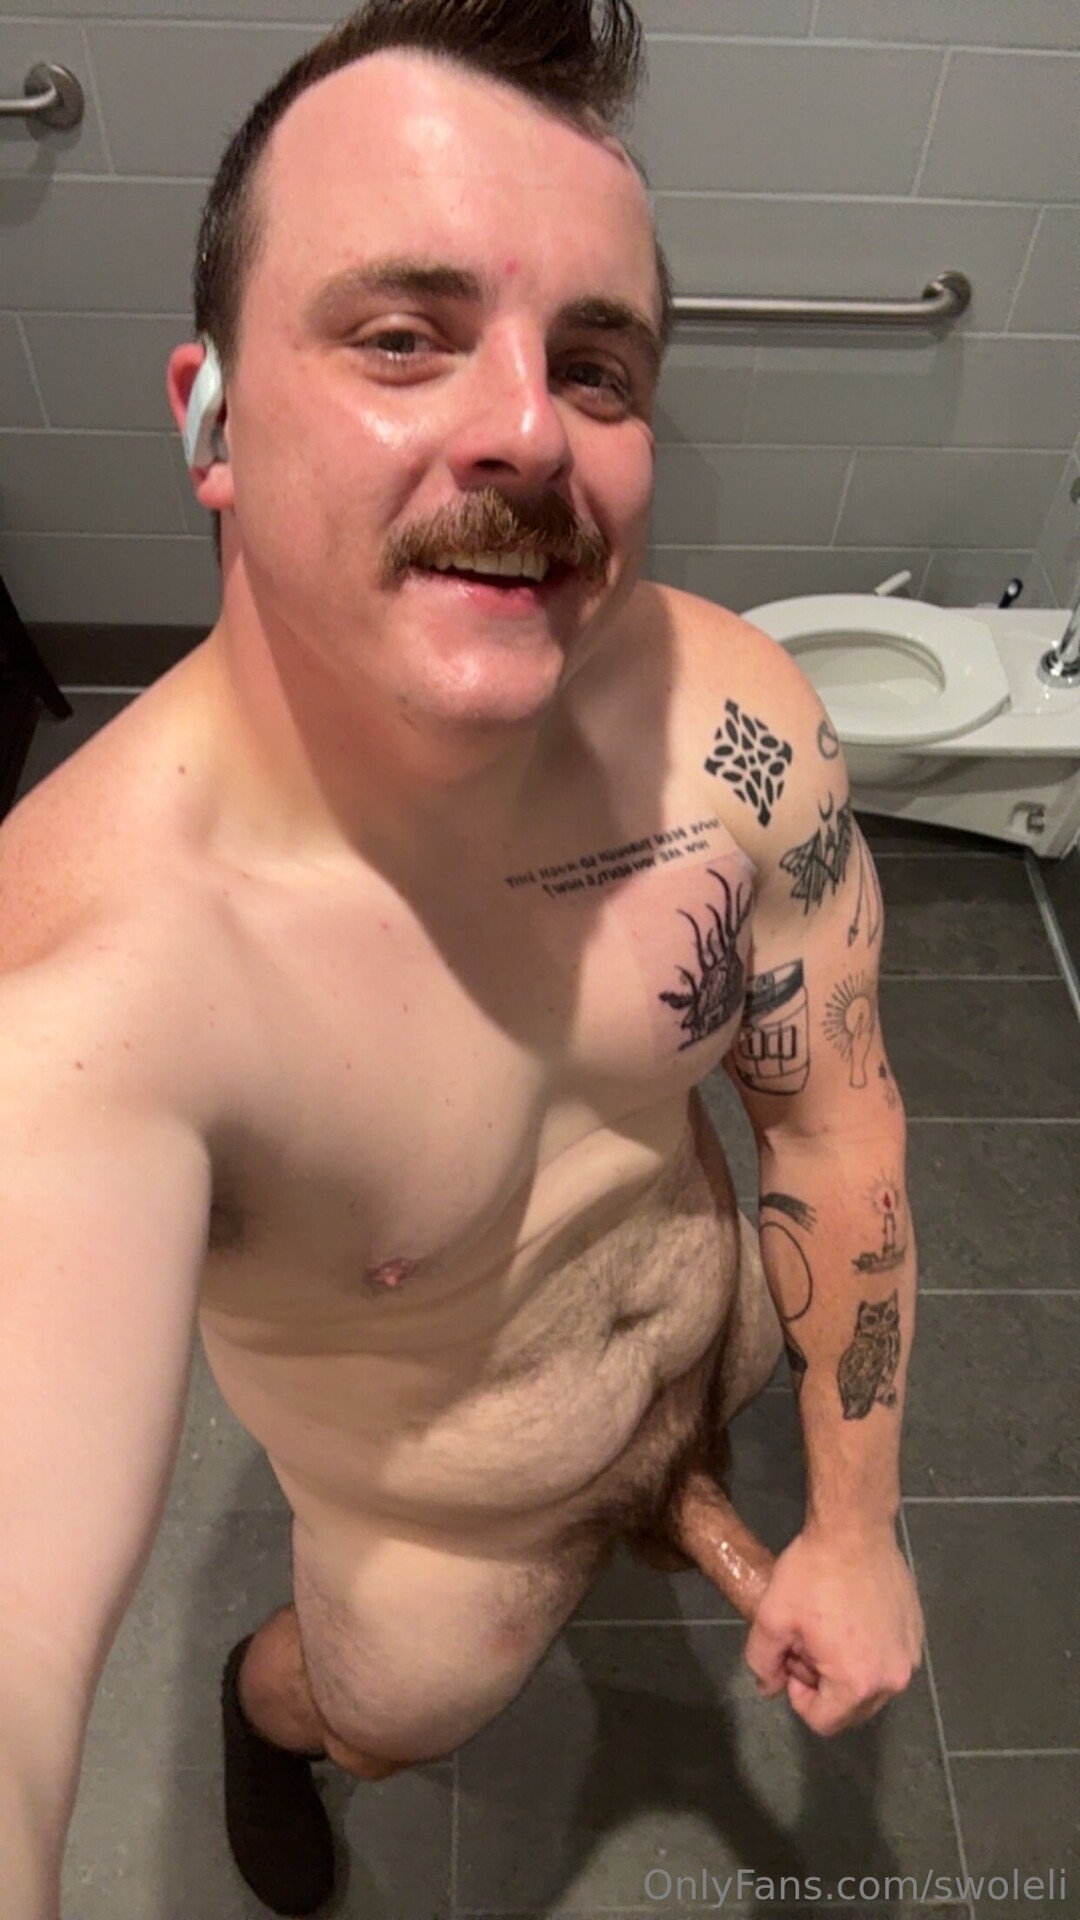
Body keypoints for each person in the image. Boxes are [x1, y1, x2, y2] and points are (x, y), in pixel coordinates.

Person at [0, 3, 924, 1915]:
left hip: (717, 1350)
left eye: (594, 364)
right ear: (211, 417)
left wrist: (857, 1523)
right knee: (374, 1711)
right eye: (402, 336)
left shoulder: (731, 722)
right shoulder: (84, 986)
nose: (528, 427)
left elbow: (833, 1133)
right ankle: (266, 1722)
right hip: (443, 1557)